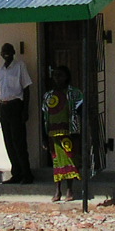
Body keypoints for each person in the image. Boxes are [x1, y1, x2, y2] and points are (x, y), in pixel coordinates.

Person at [41, 65, 84, 202]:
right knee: (57, 162)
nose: (57, 78)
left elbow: (81, 112)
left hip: (69, 132)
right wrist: (43, 136)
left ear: (67, 77)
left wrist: (80, 132)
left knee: (70, 160)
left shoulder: (75, 94)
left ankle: (70, 190)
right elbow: (44, 117)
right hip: (53, 134)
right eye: (55, 75)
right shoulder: (48, 96)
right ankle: (57, 191)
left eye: (60, 75)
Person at [0, 42, 34, 184]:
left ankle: (26, 174)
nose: (6, 53)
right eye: (4, 51)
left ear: (14, 52)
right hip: (4, 108)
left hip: (16, 106)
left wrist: (25, 110)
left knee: (19, 142)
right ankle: (16, 173)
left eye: (9, 51)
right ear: (1, 54)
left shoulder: (20, 67)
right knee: (9, 143)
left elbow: (26, 89)